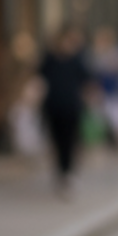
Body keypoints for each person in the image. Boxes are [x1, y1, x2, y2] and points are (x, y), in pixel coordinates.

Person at [40, 25, 89, 192]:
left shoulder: (77, 59)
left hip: (72, 106)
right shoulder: (50, 59)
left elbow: (87, 80)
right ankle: (61, 170)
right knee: (56, 140)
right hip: (53, 105)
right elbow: (39, 77)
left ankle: (67, 171)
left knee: (69, 140)